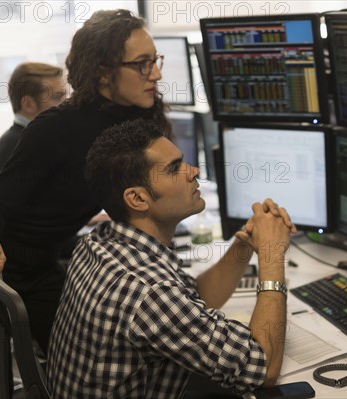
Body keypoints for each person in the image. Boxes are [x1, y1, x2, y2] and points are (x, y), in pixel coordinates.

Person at [0, 9, 171, 399]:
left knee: (89, 356)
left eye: (155, 61)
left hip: (41, 261)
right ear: (103, 71)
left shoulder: (142, 120)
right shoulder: (55, 128)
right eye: (142, 64)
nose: (155, 73)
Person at [47, 118, 296, 398]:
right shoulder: (148, 292)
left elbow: (196, 298)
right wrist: (272, 255)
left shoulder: (101, 241)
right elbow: (263, 369)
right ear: (138, 199)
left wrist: (246, 246)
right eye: (175, 169)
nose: (194, 171)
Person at [0, 62, 67, 195]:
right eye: (57, 98)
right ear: (28, 104)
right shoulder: (23, 147)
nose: (67, 104)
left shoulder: (16, 140)